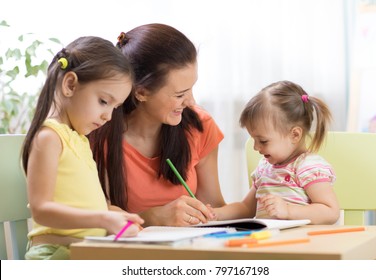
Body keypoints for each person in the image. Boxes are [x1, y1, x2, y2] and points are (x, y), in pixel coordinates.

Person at [89, 23, 225, 227]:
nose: (191, 101)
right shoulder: (98, 133)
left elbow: (213, 207)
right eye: (180, 94)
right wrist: (151, 218)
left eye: (191, 88)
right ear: (141, 92)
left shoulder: (199, 125)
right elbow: (94, 218)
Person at [21, 36, 144, 260]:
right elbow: (41, 209)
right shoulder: (49, 138)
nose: (108, 116)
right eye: (104, 101)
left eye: (115, 108)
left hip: (84, 253)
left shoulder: (79, 139)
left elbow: (90, 203)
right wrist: (102, 218)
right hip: (53, 256)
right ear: (70, 85)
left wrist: (119, 216)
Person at [211, 80, 340, 225]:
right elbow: (246, 207)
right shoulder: (265, 169)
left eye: (263, 141)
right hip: (270, 244)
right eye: (254, 139)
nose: (256, 147)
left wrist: (288, 210)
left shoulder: (307, 167)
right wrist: (217, 214)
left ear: (295, 135)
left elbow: (330, 211)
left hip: (303, 244)